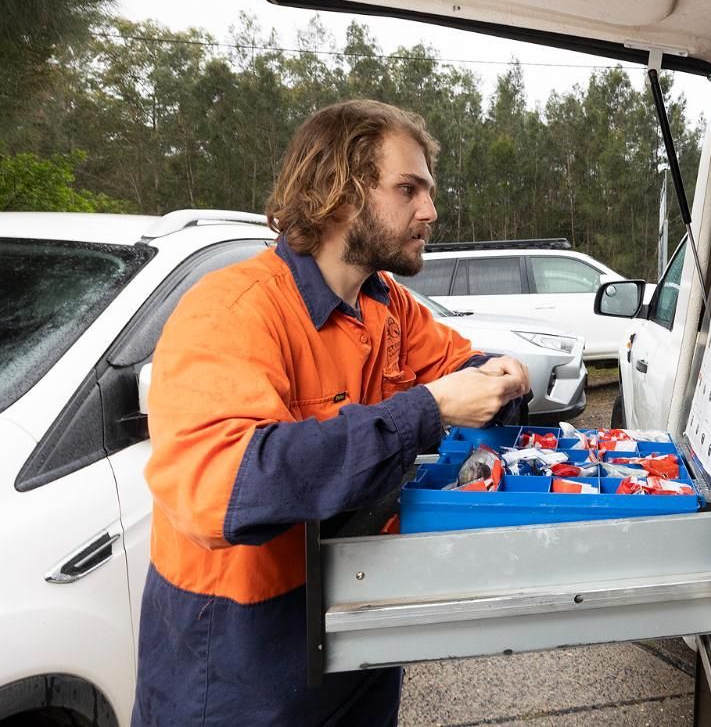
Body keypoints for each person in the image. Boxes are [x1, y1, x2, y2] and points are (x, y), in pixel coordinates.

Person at [133, 99, 530, 726]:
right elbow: (221, 490)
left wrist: (499, 375)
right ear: (338, 192)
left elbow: (456, 367)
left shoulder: (386, 303)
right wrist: (426, 409)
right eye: (408, 189)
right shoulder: (236, 309)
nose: (429, 211)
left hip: (359, 630)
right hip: (243, 660)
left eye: (428, 191)